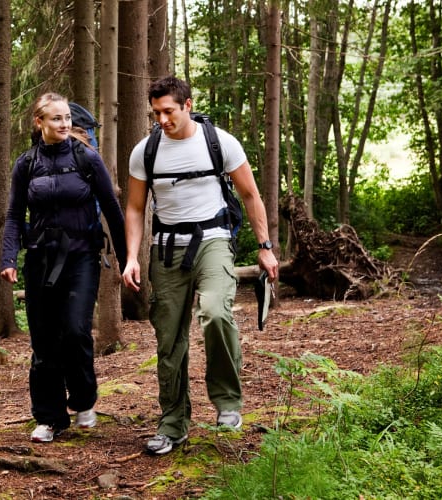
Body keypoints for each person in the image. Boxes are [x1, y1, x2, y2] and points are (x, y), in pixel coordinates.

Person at [121, 76, 279, 455]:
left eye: (169, 111)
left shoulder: (220, 143)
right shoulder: (145, 152)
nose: (162, 119)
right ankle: (173, 423)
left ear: (187, 105)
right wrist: (131, 257)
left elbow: (250, 194)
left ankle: (227, 403)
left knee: (215, 313)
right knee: (168, 336)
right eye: (155, 112)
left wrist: (265, 247)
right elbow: (136, 208)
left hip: (213, 242)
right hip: (167, 250)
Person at [0, 93, 126, 443]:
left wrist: (129, 259)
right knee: (43, 342)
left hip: (81, 257)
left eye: (68, 117)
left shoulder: (87, 158)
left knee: (74, 330)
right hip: (40, 258)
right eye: (56, 118)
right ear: (39, 122)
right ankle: (49, 417)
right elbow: (13, 216)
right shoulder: (26, 164)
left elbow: (113, 212)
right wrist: (8, 258)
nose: (65, 124)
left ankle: (84, 400)